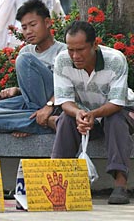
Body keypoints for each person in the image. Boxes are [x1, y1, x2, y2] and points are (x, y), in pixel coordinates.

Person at [51, 21, 134, 205]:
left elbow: (117, 103)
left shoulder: (115, 60)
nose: (75, 55)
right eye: (71, 49)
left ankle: (120, 184)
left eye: (80, 49)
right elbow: (64, 100)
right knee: (65, 119)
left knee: (115, 120)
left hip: (117, 110)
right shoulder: (62, 60)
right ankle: (57, 175)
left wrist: (92, 114)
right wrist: (80, 114)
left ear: (95, 44)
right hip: (84, 112)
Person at [0, 0, 66, 137]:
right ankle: (44, 123)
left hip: (56, 104)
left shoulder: (63, 52)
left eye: (33, 25)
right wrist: (17, 90)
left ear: (47, 22)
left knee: (25, 60)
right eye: (24, 27)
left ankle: (39, 120)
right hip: (31, 105)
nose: (28, 31)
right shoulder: (26, 50)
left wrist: (48, 106)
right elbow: (31, 92)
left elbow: (68, 87)